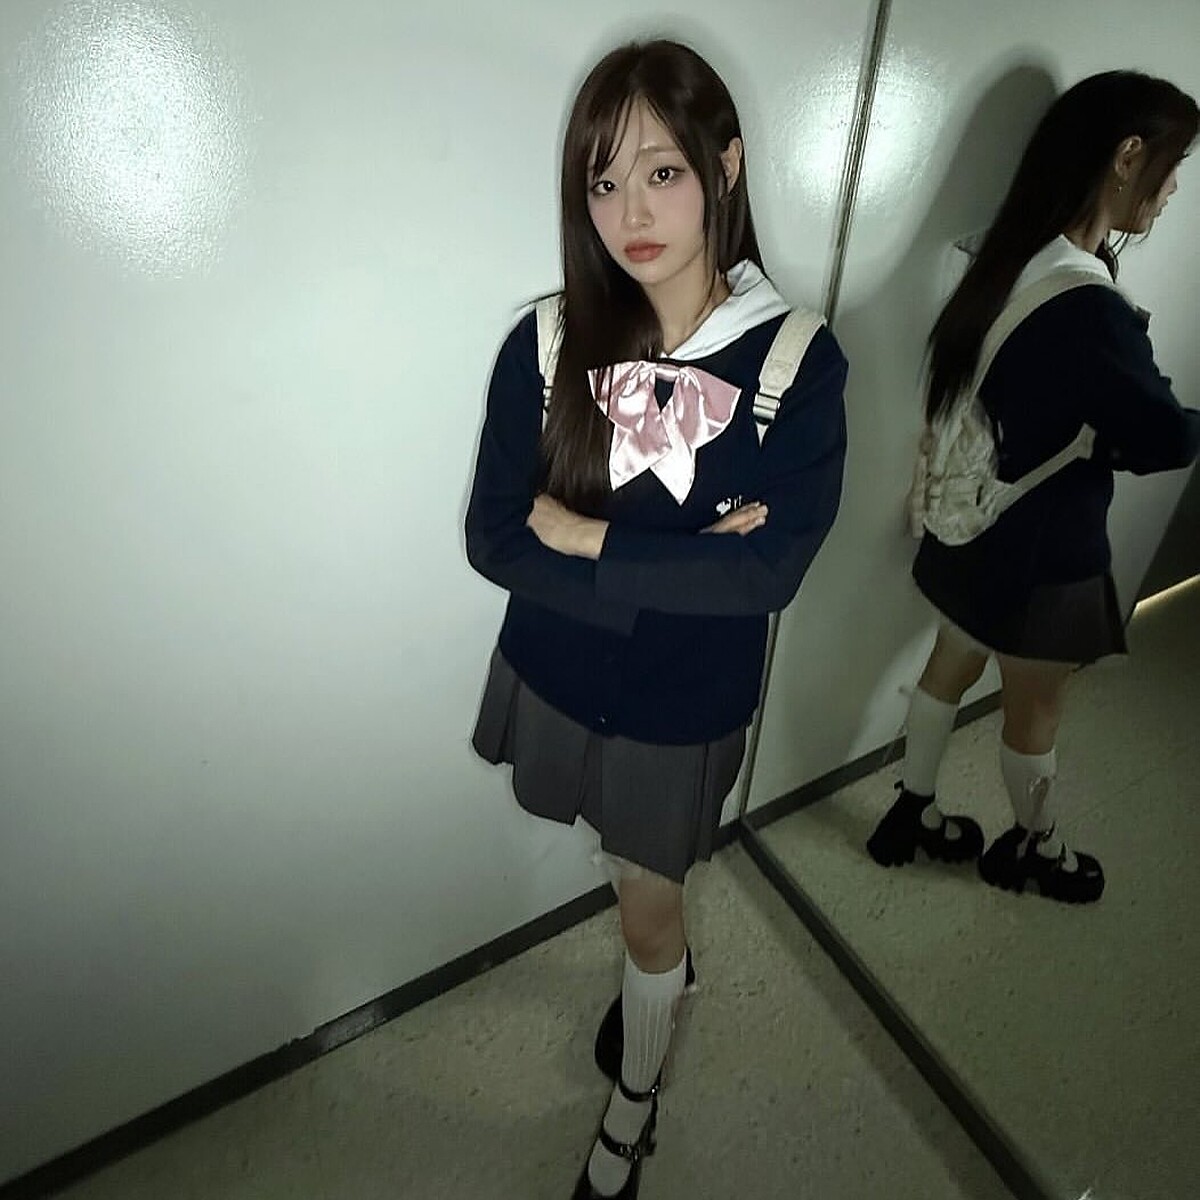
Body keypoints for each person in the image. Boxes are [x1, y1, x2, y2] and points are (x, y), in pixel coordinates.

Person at [465, 39, 847, 1199]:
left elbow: (768, 577)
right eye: (603, 180)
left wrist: (586, 540)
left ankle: (632, 1113)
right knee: (620, 865)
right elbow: (493, 540)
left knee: (647, 911)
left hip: (679, 707)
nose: (630, 212)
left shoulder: (795, 362)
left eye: (662, 172)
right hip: (553, 672)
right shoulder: (545, 342)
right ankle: (658, 991)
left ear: (726, 167)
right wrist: (686, 562)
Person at [868, 71, 1200, 905]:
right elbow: (1165, 436)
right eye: (1173, 168)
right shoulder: (1091, 307)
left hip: (969, 521)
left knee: (948, 665)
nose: (1171, 191)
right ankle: (1035, 849)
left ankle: (910, 812)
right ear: (1128, 156)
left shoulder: (998, 254)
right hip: (1046, 552)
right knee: (1036, 716)